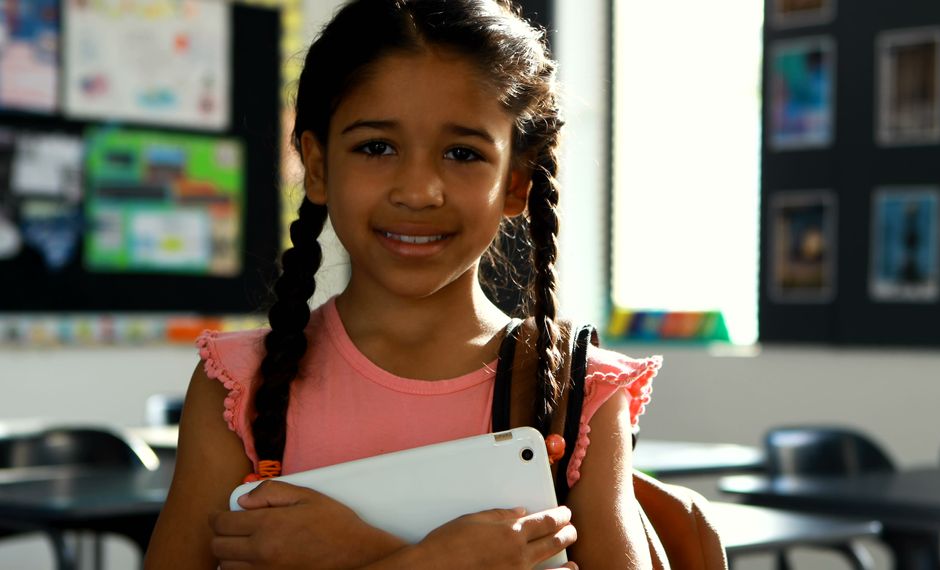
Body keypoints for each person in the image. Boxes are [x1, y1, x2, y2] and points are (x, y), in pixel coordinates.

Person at [145, 1, 660, 568]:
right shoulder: (239, 386)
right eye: (377, 147)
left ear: (516, 183)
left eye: (462, 153)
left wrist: (370, 555)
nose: (418, 191)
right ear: (316, 167)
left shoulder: (574, 389)